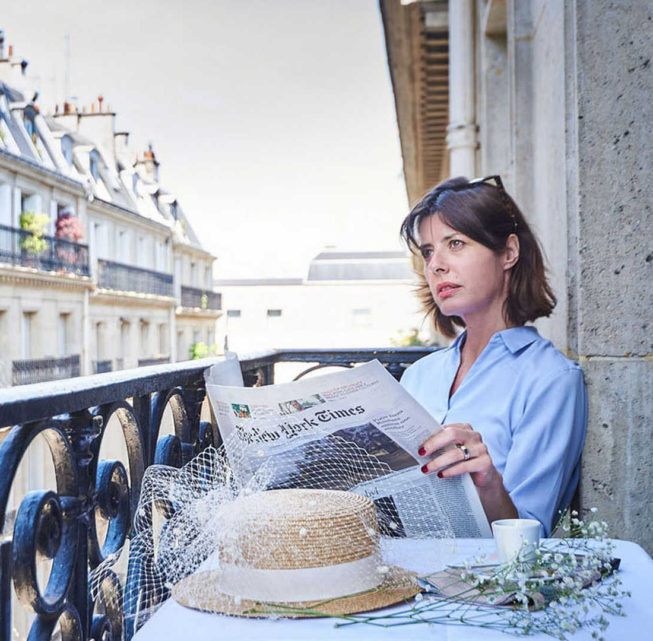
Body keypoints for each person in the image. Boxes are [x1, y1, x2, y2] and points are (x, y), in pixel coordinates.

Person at [399, 175, 587, 536]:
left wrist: (487, 480)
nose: (436, 264)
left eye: (455, 243)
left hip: (483, 585)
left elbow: (529, 534)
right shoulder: (419, 374)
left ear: (509, 253)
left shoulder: (551, 379)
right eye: (427, 251)